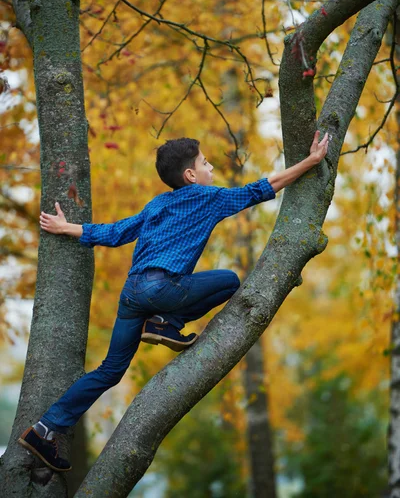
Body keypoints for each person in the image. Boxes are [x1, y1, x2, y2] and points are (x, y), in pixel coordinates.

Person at [18, 133, 329, 472]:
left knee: (110, 370)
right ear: (191, 176)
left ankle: (45, 428)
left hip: (132, 293)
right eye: (205, 162)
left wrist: (68, 228)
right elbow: (262, 188)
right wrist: (311, 162)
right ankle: (168, 324)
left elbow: (117, 232)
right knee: (229, 280)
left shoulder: (156, 204)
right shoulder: (208, 197)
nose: (210, 167)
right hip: (163, 290)